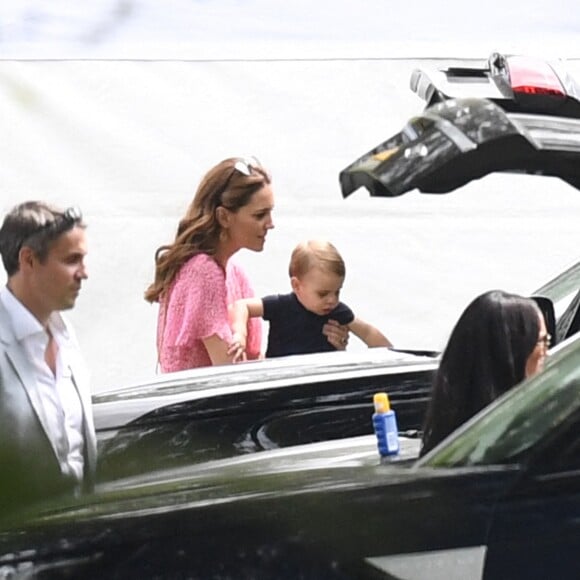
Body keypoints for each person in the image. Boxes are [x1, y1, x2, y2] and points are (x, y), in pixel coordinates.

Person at [0, 201, 97, 512]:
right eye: (72, 260)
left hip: (75, 542)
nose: (84, 273)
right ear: (28, 260)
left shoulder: (65, 334)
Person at [420, 289, 549, 456]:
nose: (547, 353)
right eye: (542, 342)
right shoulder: (522, 441)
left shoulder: (451, 442)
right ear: (510, 354)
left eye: (548, 341)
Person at [230, 239, 392, 358]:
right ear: (297, 286)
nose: (332, 300)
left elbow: (368, 332)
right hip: (280, 376)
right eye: (323, 294)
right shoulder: (281, 306)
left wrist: (392, 356)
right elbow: (242, 306)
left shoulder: (337, 312)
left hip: (319, 377)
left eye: (337, 292)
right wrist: (239, 334)